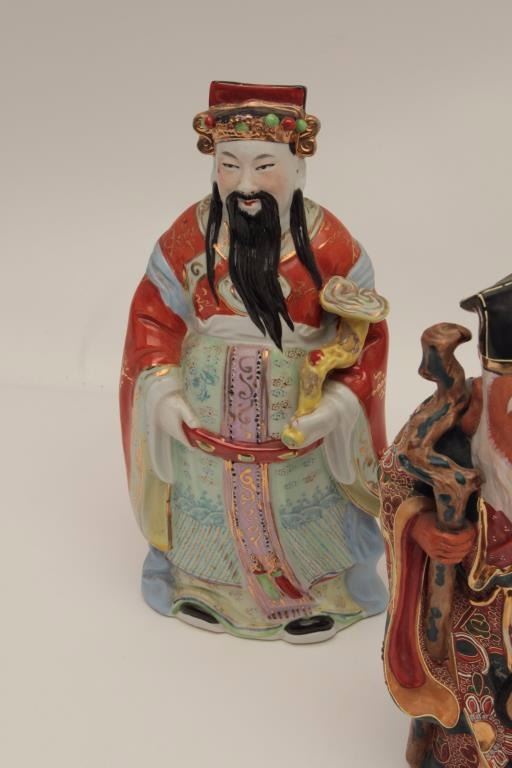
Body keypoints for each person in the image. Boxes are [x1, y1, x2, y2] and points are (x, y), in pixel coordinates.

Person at [120, 81, 389, 642]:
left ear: (299, 168)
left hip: (297, 424)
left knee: (301, 506)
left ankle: (322, 590)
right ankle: (204, 587)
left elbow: (365, 337)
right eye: (228, 166)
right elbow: (153, 318)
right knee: (207, 501)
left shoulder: (332, 246)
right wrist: (162, 391)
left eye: (265, 166)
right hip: (206, 425)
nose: (245, 185)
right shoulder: (189, 235)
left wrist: (337, 408)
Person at [381, 274, 512, 765]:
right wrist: (421, 529)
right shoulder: (452, 419)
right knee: (469, 691)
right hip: (471, 606)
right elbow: (392, 480)